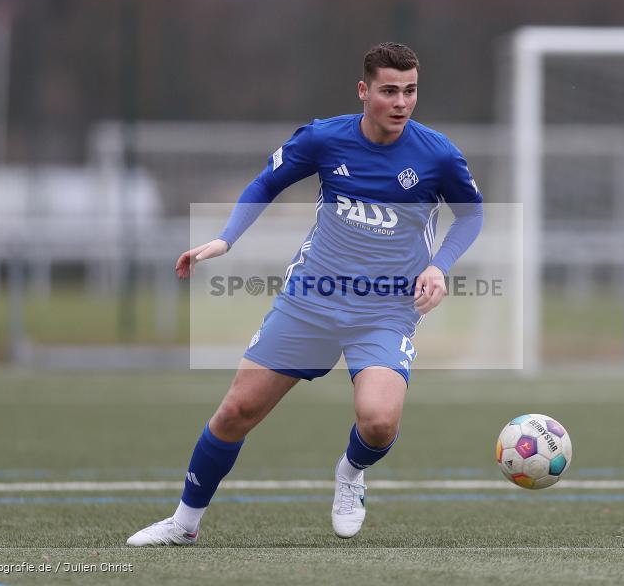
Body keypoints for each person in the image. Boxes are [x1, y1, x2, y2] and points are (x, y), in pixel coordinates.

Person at [127, 42, 483, 546]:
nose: (401, 102)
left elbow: (471, 214)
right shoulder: (324, 138)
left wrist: (438, 267)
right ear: (363, 91)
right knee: (236, 412)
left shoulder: (437, 154)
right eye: (389, 91)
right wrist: (226, 239)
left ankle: (350, 473)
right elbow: (264, 184)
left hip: (385, 309)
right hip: (311, 299)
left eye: (410, 91)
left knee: (379, 423)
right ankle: (184, 524)